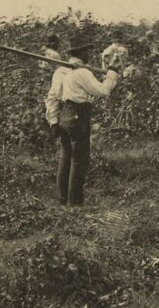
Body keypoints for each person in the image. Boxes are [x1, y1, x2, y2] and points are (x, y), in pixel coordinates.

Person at [45, 35, 120, 206]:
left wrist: (53, 121)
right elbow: (103, 91)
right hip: (78, 117)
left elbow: (52, 97)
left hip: (64, 116)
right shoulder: (82, 72)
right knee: (79, 160)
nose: (89, 55)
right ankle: (75, 204)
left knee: (65, 157)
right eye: (87, 51)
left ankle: (63, 200)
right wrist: (112, 74)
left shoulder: (61, 71)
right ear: (82, 53)